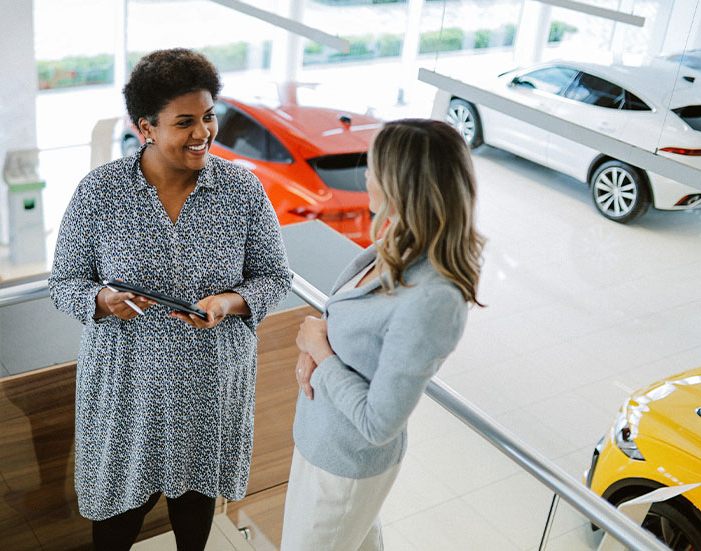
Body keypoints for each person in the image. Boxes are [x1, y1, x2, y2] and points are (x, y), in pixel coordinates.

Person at [47, 48, 291, 551]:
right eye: (185, 122)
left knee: (194, 522)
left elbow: (275, 276)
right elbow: (64, 282)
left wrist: (230, 302)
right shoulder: (99, 192)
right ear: (146, 128)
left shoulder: (241, 189)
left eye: (208, 117)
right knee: (114, 527)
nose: (202, 132)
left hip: (208, 389)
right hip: (126, 391)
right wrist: (101, 299)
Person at [282, 119, 485, 550]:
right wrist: (315, 345)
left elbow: (379, 423)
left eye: (373, 169)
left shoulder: (434, 298)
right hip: (319, 440)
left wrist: (319, 348)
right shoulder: (394, 243)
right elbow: (345, 316)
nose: (366, 178)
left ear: (400, 187)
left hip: (344, 466)